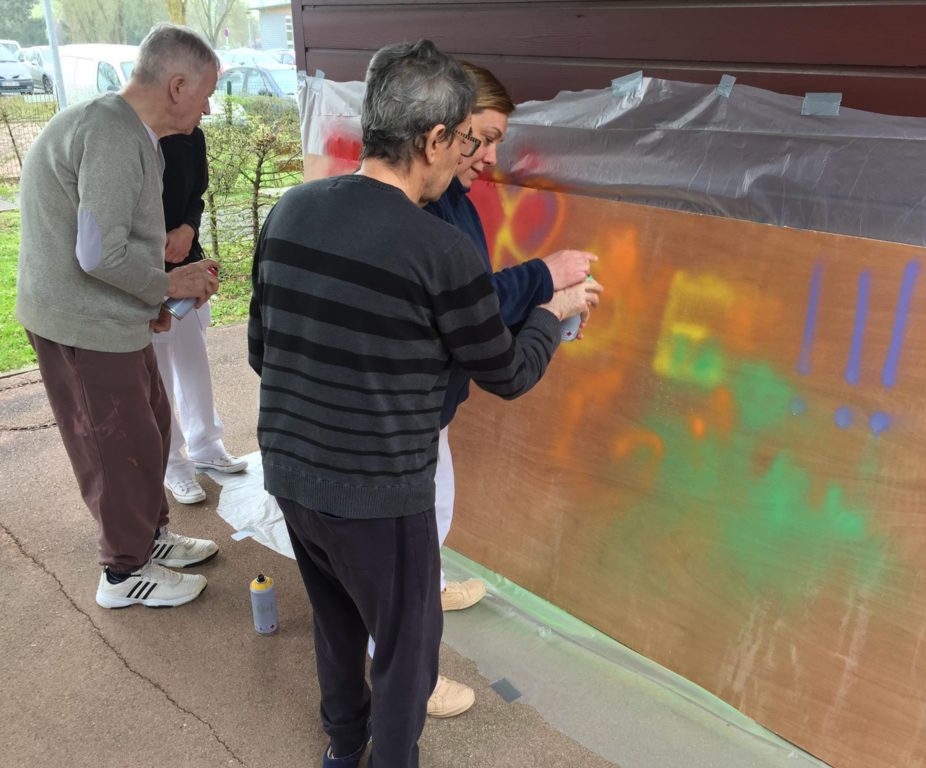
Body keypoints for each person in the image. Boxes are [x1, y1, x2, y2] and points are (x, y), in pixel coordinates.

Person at [248, 40, 597, 768]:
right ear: (435, 138)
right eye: (466, 141)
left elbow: (261, 350)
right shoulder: (438, 249)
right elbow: (506, 373)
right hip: (382, 494)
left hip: (290, 473)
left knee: (338, 624)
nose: (471, 156)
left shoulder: (291, 210)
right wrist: (551, 313)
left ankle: (344, 748)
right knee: (408, 651)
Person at [15, 23, 222, 609]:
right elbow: (98, 253)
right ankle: (123, 573)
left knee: (148, 427)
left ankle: (149, 538)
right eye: (206, 93)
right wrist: (167, 285)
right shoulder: (110, 133)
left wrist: (152, 302)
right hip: (81, 323)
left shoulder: (130, 130)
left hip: (107, 313)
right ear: (177, 85)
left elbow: (114, 243)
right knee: (116, 446)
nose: (208, 108)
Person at [420, 62, 600, 717]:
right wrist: (546, 290)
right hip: (398, 422)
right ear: (442, 132)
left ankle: (424, 589)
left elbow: (476, 309)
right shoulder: (421, 216)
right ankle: (407, 671)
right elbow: (496, 350)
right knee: (401, 545)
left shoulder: (452, 203)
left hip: (426, 406)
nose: (492, 157)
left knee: (433, 512)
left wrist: (545, 313)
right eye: (484, 138)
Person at [155, 126, 248, 506]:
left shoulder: (192, 135)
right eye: (203, 98)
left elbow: (196, 195)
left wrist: (187, 230)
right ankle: (172, 463)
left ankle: (205, 445)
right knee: (158, 374)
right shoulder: (136, 136)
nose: (207, 110)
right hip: (146, 271)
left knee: (193, 361)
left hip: (187, 263)